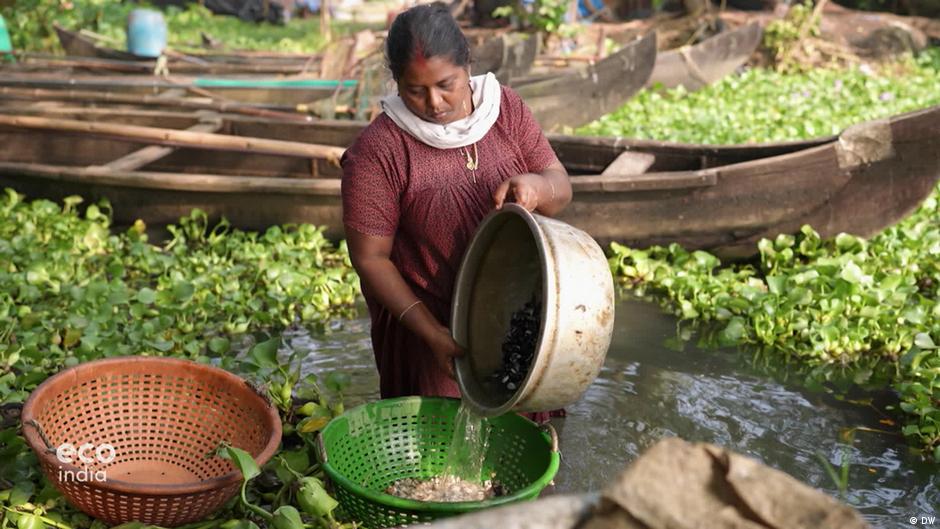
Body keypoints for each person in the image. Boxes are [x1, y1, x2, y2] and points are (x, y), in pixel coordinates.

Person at [341, 2, 572, 422]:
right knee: (435, 457)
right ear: (396, 82)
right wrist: (432, 334)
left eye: (446, 84)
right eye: (415, 90)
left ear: (467, 64)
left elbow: (560, 186)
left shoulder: (507, 111)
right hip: (428, 328)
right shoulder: (379, 151)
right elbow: (370, 259)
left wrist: (537, 187)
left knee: (522, 439)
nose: (433, 102)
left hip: (517, 313)